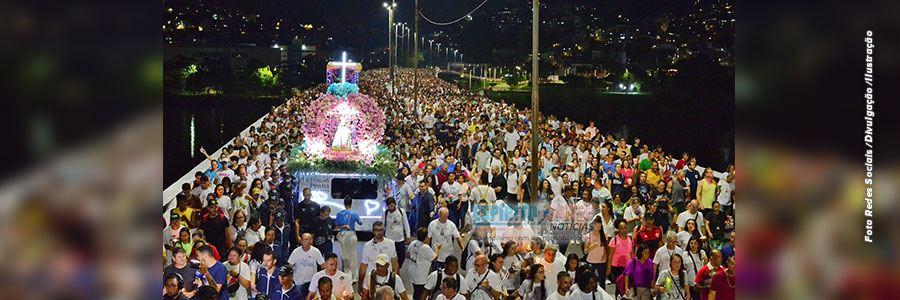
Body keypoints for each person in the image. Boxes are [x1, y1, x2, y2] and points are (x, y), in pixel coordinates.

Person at [425, 207, 465, 272]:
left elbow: (458, 237)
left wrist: (462, 248)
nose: (444, 218)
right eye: (442, 216)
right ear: (439, 215)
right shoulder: (432, 224)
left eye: (446, 216)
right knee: (435, 274)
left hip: (448, 256)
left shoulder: (451, 225)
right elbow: (428, 239)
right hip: (436, 256)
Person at [335, 196, 362, 282]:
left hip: (343, 235)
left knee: (344, 255)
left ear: (344, 203)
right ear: (351, 203)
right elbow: (360, 222)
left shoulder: (339, 214)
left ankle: (347, 274)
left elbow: (336, 226)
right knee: (353, 255)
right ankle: (354, 276)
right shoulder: (354, 213)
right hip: (352, 235)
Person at [409, 228, 440, 300]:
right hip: (420, 275)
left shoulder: (413, 243)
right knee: (420, 294)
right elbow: (435, 258)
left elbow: (408, 254)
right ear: (426, 237)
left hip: (412, 271)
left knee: (416, 291)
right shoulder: (425, 247)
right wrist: (437, 248)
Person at [607, 218, 634, 296]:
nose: (624, 230)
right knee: (619, 285)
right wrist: (609, 267)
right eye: (621, 228)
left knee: (628, 285)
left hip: (628, 267)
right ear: (618, 229)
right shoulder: (614, 240)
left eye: (625, 228)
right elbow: (610, 255)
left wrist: (635, 264)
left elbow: (632, 253)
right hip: (617, 267)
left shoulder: (630, 239)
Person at [383, 197, 412, 268]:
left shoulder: (401, 211)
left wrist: (408, 236)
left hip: (400, 239)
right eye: (389, 206)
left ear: (395, 204)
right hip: (389, 239)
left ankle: (398, 268)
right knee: (388, 256)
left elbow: (406, 224)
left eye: (392, 206)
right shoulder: (385, 213)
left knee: (402, 256)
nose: (390, 208)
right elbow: (382, 225)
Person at [582, 216, 608, 283]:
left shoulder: (604, 235)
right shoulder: (589, 236)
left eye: (599, 227)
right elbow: (585, 251)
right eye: (596, 226)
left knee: (602, 279)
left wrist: (605, 255)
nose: (598, 229)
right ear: (593, 225)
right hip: (591, 260)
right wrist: (591, 247)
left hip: (601, 261)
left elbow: (605, 247)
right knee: (590, 279)